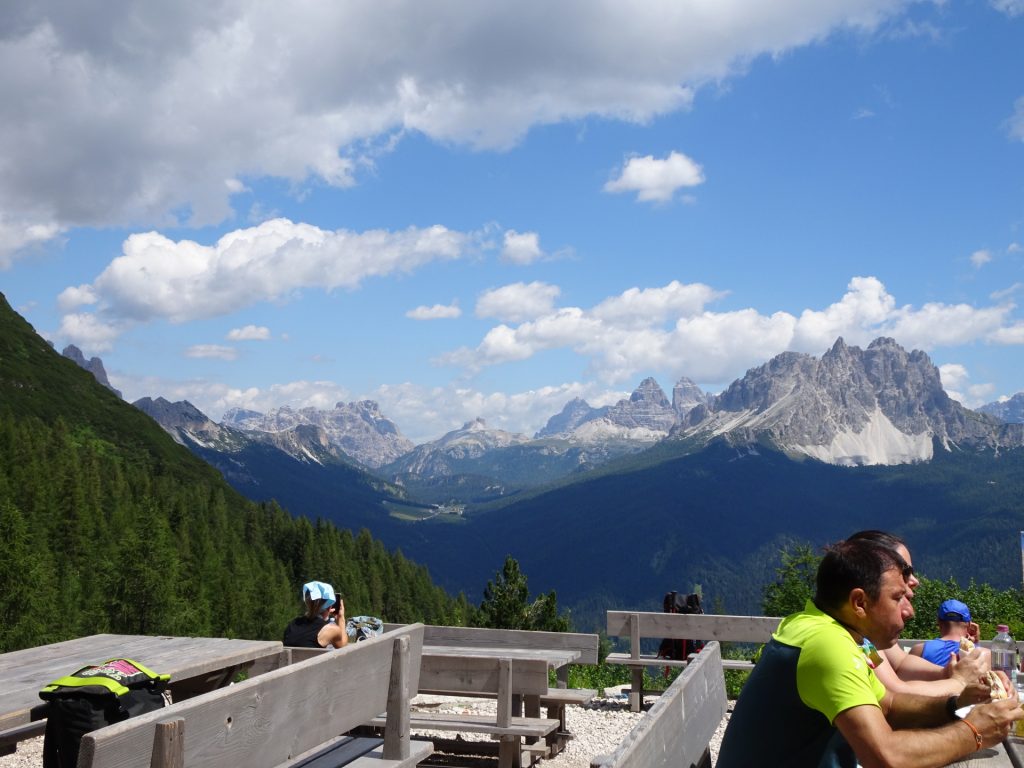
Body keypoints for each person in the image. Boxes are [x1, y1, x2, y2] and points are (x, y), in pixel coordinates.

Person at [716, 537, 1022, 768]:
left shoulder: (822, 627)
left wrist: (959, 701)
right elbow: (884, 756)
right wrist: (976, 730)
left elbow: (888, 703)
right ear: (860, 602)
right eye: (897, 597)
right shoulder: (828, 645)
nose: (910, 612)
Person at [846, 530, 989, 698]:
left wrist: (948, 672)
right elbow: (894, 693)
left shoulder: (863, 634)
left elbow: (900, 664)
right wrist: (959, 681)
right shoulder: (849, 636)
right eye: (905, 571)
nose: (915, 581)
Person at [910, 599, 990, 668]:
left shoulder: (918, 651)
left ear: (939, 622)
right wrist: (976, 644)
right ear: (969, 624)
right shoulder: (985, 654)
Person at [282, 580, 348, 648]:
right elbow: (343, 647)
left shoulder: (293, 624)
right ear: (330, 606)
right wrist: (341, 617)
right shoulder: (331, 629)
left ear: (307, 603)